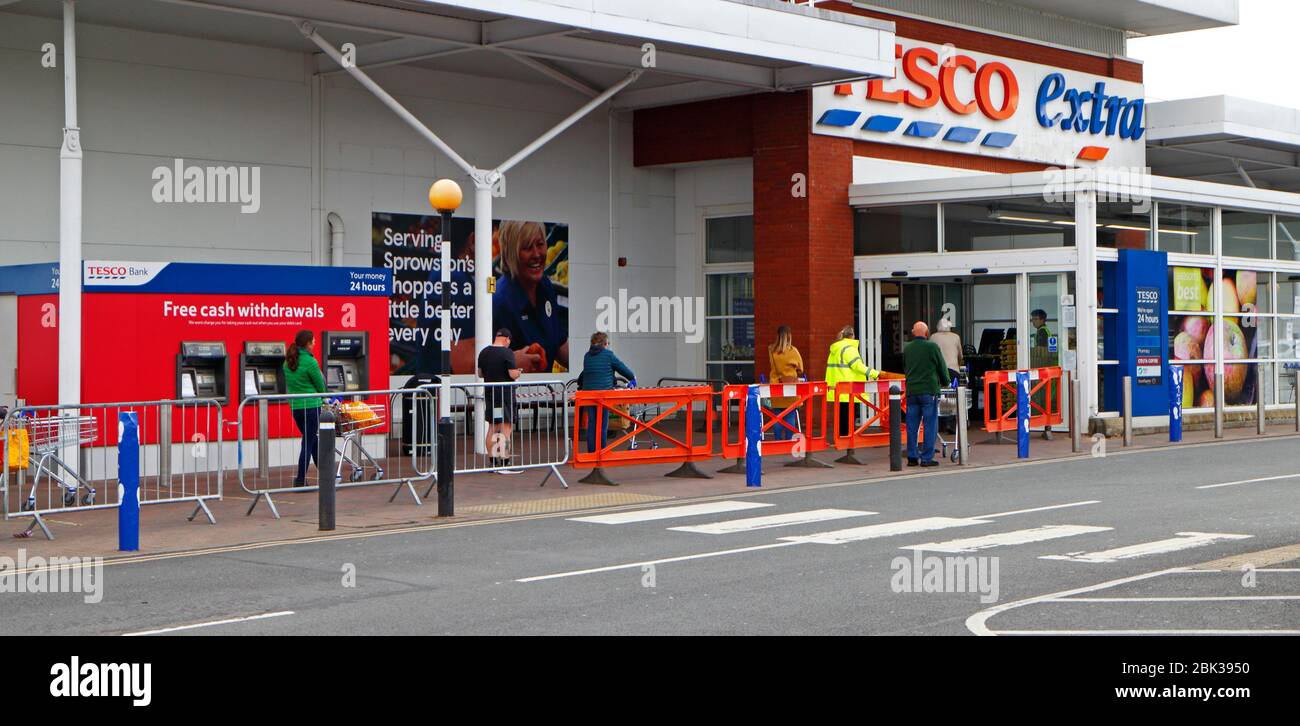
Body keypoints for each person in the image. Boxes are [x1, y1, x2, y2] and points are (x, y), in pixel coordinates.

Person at [492, 220, 569, 374]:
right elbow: (483, 363)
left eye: (540, 244)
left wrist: (593, 362)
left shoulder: (545, 286)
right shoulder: (499, 302)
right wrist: (511, 362)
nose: (536, 254)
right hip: (514, 395)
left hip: (545, 393)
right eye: (527, 248)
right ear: (510, 253)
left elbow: (559, 342)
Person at [903, 321, 951, 468]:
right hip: (928, 391)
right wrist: (946, 381)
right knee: (930, 424)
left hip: (912, 391)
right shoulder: (932, 347)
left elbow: (905, 366)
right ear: (926, 333)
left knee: (912, 425)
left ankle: (912, 456)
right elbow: (941, 366)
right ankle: (926, 458)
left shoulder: (907, 348)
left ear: (913, 333)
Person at [577, 332, 635, 453]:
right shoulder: (608, 355)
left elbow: (588, 373)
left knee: (592, 423)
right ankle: (601, 451)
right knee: (603, 424)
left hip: (588, 393)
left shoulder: (587, 356)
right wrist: (632, 378)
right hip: (603, 394)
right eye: (607, 343)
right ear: (604, 344)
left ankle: (592, 451)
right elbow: (623, 369)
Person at [283, 330, 327, 487]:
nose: (315, 343)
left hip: (296, 408)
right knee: (308, 442)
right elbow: (320, 384)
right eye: (313, 341)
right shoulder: (310, 362)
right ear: (308, 344)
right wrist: (324, 397)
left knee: (311, 439)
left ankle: (325, 473)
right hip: (311, 406)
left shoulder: (288, 362)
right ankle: (301, 479)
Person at [477, 328, 523, 471]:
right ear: (506, 339)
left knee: (493, 426)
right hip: (505, 395)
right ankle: (504, 459)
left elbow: (480, 374)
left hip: (491, 394)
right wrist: (519, 372)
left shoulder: (484, 352)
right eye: (509, 341)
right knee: (505, 427)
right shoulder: (507, 353)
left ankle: (492, 459)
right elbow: (512, 374)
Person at [825, 325, 880, 439]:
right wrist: (875, 374)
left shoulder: (836, 348)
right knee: (848, 417)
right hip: (848, 388)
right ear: (852, 336)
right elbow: (858, 366)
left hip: (837, 388)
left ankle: (841, 438)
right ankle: (847, 439)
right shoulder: (849, 349)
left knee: (841, 416)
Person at [767, 325, 804, 441]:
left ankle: (778, 440)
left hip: (776, 386)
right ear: (789, 336)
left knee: (777, 417)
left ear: (777, 336)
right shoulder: (793, 351)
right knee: (790, 416)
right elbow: (801, 369)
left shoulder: (771, 350)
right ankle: (789, 441)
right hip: (790, 387)